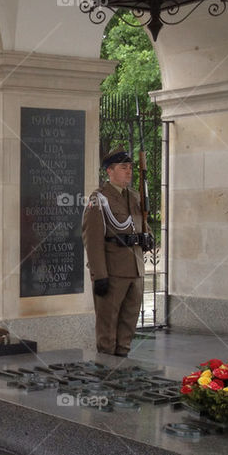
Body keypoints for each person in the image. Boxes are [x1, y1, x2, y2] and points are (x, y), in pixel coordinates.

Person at [81, 147, 153, 357]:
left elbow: (142, 227)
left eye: (130, 167)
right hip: (113, 272)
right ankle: (106, 369)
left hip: (135, 270)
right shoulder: (99, 199)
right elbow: (92, 240)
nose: (129, 172)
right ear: (110, 171)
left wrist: (148, 236)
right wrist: (99, 275)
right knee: (108, 327)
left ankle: (123, 363)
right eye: (123, 168)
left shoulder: (135, 196)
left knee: (128, 324)